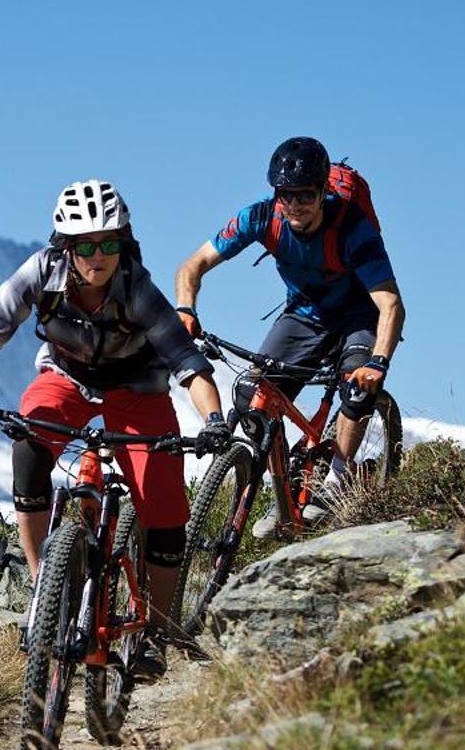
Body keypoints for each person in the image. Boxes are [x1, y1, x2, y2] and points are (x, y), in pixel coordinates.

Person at [0, 180, 229, 671]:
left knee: (164, 507)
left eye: (108, 242)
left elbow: (190, 366)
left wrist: (212, 419)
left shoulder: (137, 289)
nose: (98, 255)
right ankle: (46, 595)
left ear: (123, 242)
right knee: (28, 449)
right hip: (67, 377)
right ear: (67, 247)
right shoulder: (42, 271)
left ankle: (157, 630)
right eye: (85, 245)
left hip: (138, 390)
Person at [172, 136, 405, 530]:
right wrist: (185, 308)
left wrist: (378, 362)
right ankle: (283, 492)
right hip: (305, 316)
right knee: (252, 397)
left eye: (306, 195)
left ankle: (336, 479)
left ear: (323, 192)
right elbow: (192, 266)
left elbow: (390, 305)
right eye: (286, 195)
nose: (295, 205)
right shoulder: (261, 218)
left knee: (356, 387)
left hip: (359, 315)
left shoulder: (352, 229)